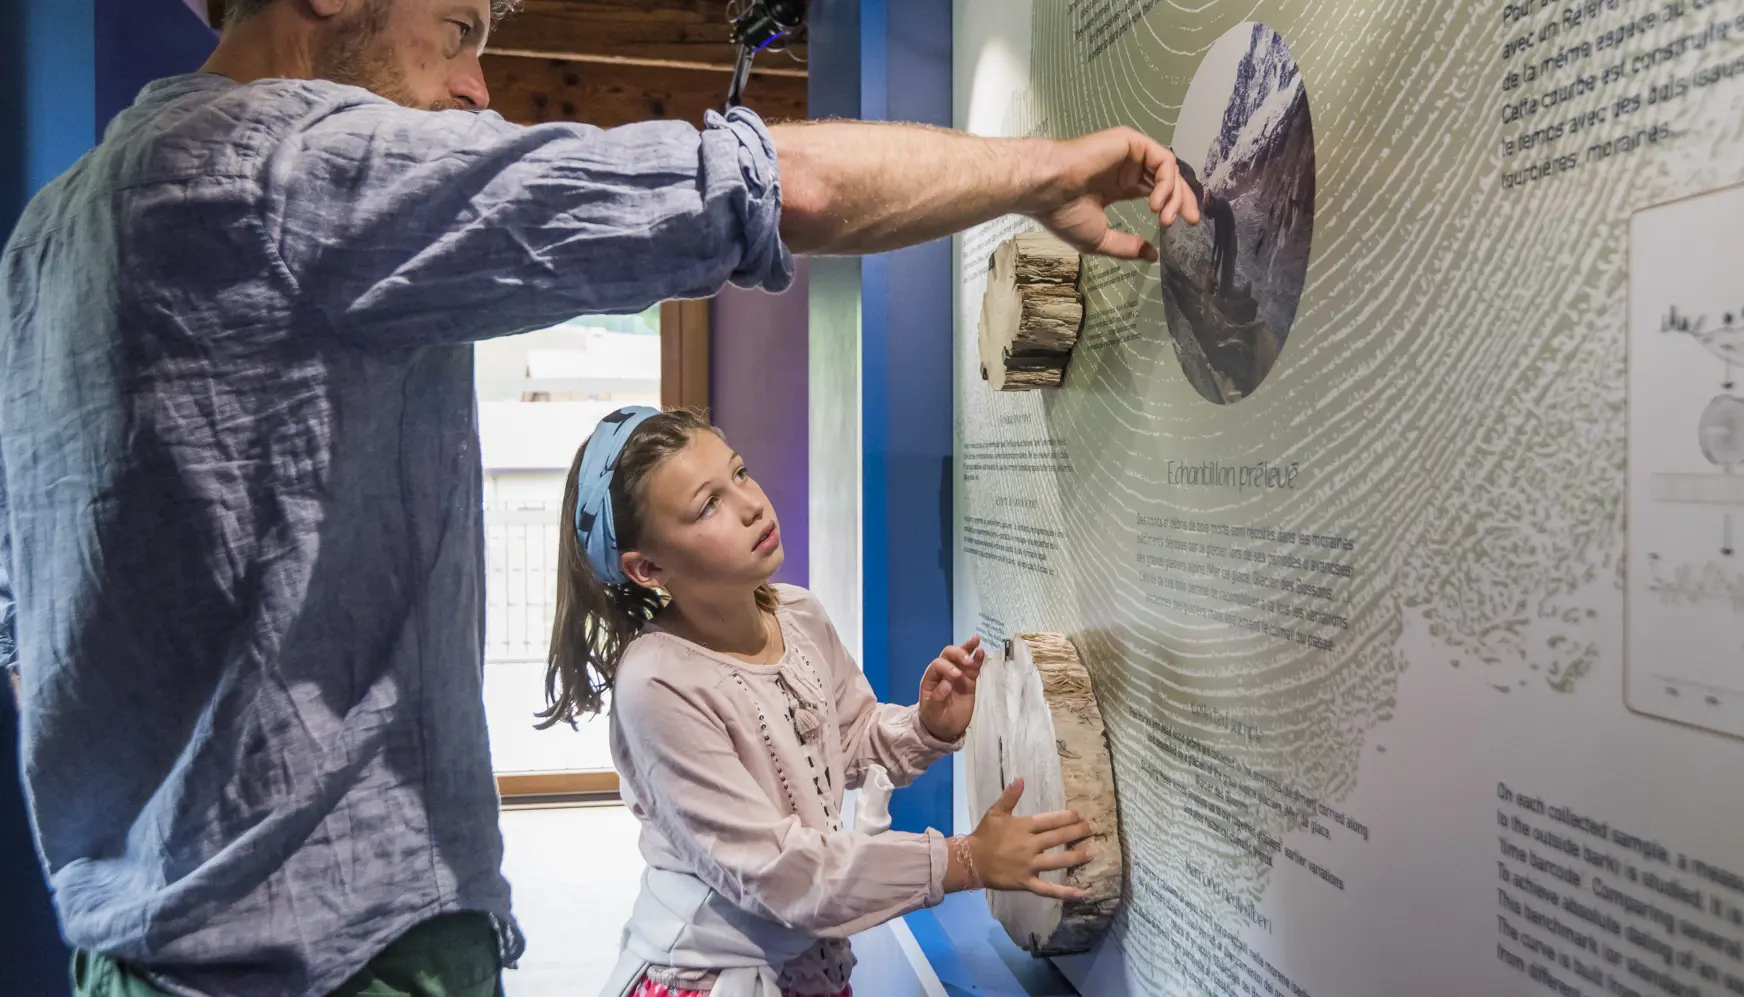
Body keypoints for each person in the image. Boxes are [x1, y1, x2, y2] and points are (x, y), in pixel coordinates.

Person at [0, 0, 1197, 994]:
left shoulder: (44, 241)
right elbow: (761, 188)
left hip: (129, 946)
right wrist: (1030, 171)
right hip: (334, 952)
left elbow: (29, 621)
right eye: (460, 29)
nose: (478, 89)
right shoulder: (285, 167)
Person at [544, 407, 1094, 997]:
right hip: (711, 981)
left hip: (811, 970)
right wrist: (965, 860)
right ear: (648, 567)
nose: (752, 503)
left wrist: (927, 726)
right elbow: (780, 872)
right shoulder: (656, 682)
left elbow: (850, 742)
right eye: (709, 505)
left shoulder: (795, 612)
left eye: (740, 473)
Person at [1176, 157, 1238, 294]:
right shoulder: (1218, 208)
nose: (1209, 217)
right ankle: (1224, 293)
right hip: (1228, 239)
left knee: (1227, 270)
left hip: (1231, 241)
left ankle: (1225, 297)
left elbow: (1221, 246)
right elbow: (1217, 239)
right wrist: (1212, 262)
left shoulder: (1220, 208)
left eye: (1208, 214)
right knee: (1227, 270)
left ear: (1211, 207)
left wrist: (1213, 272)